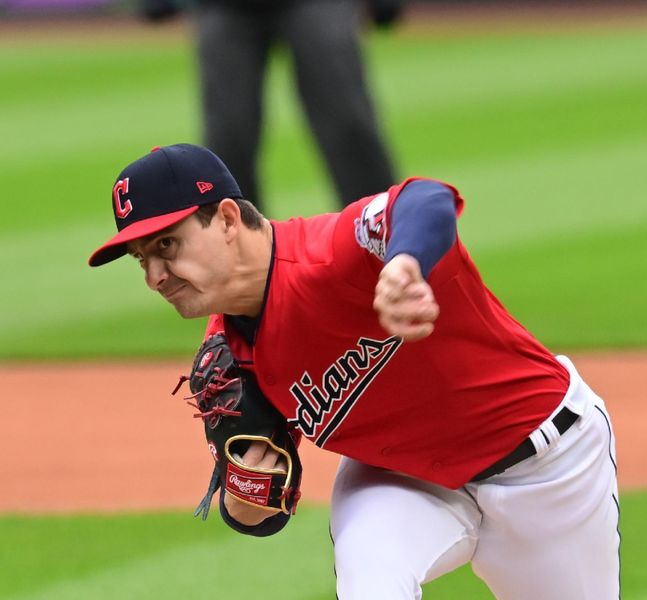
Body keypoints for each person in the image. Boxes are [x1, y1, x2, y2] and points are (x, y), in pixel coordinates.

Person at [89, 143, 620, 599]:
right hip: (403, 480)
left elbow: (426, 198)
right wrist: (245, 493)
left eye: (166, 245)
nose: (156, 276)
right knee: (373, 583)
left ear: (227, 219)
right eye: (142, 258)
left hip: (550, 464)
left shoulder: (333, 252)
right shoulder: (230, 359)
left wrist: (405, 262)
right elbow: (259, 515)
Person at [138, 0, 400, 212]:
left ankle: (385, 238)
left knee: (348, 122)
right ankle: (237, 257)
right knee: (228, 136)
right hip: (228, 8)